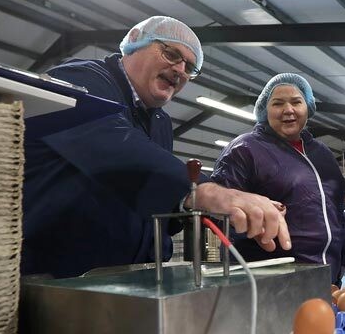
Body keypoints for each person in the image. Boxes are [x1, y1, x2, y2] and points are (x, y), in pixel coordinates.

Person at [23, 16, 290, 278]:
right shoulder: (79, 80)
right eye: (171, 54)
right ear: (135, 42)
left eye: (189, 67)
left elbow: (150, 200)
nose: (180, 70)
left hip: (128, 278)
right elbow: (112, 148)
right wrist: (203, 192)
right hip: (62, 277)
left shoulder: (159, 121)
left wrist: (194, 214)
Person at [212, 73, 345, 283]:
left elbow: (337, 212)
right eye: (278, 103)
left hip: (329, 273)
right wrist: (253, 219)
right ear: (264, 110)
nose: (288, 110)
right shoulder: (245, 149)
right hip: (274, 277)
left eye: (296, 102)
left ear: (308, 107)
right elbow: (218, 211)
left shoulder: (322, 153)